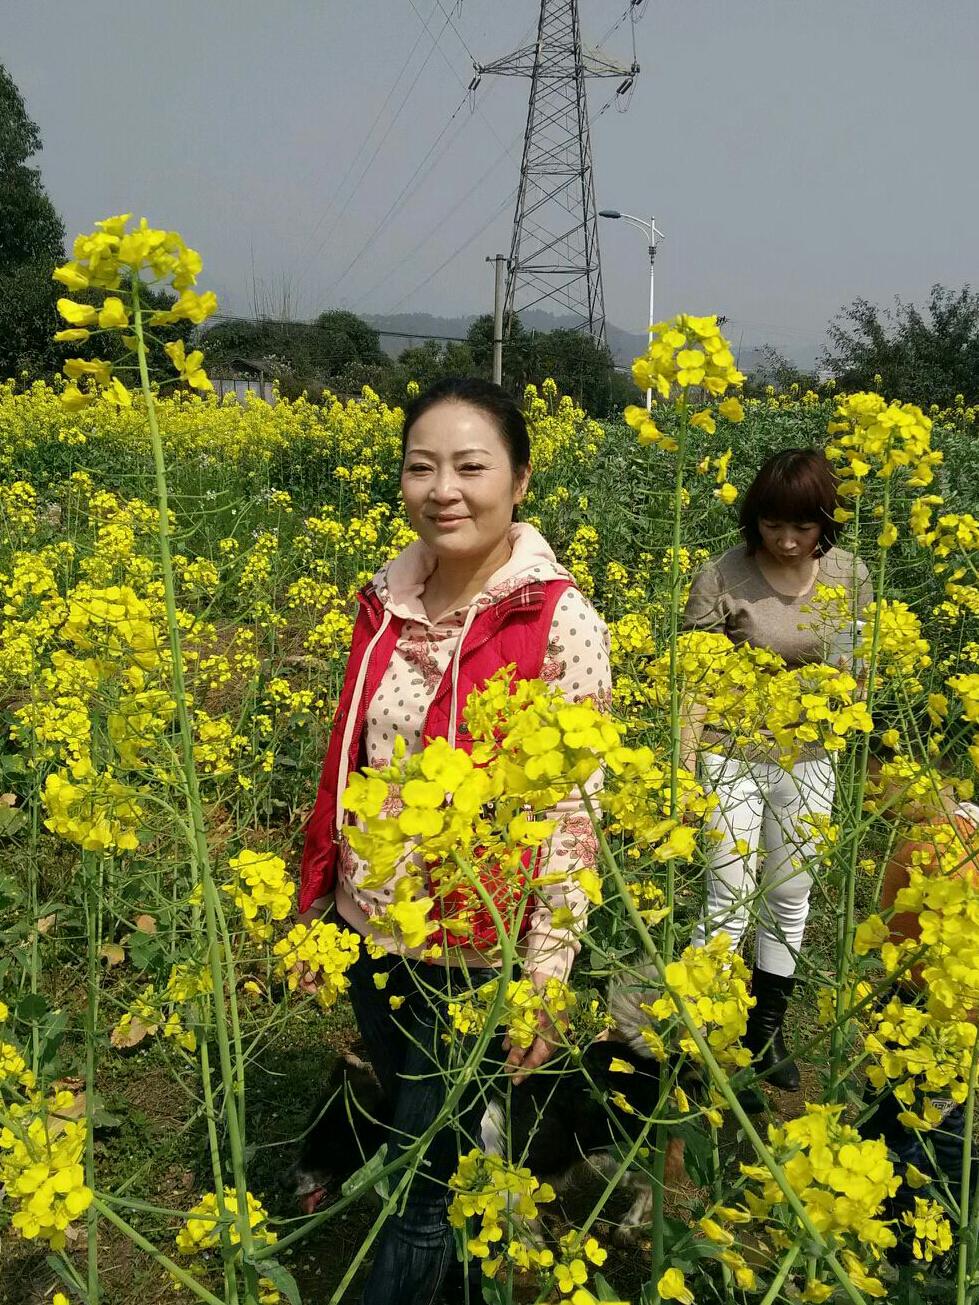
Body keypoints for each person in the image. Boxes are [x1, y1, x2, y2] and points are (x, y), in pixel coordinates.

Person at [296, 376, 611, 1305]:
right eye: (420, 466)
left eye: (471, 466)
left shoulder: (562, 621)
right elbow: (349, 756)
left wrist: (547, 972)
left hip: (473, 941)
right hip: (368, 924)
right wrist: (317, 900)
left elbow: (572, 818)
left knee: (417, 1180)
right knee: (421, 1122)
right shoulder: (387, 597)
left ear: (518, 482)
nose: (445, 488)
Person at [680, 448, 871, 1101]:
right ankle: (696, 1027)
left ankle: (765, 1029)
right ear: (752, 520)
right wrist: (683, 765)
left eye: (802, 527)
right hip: (731, 752)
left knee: (790, 894)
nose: (786, 540)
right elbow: (694, 679)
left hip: (813, 755)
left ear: (825, 523)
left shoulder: (849, 577)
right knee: (727, 894)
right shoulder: (721, 575)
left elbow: (855, 670)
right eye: (771, 525)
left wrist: (848, 701)